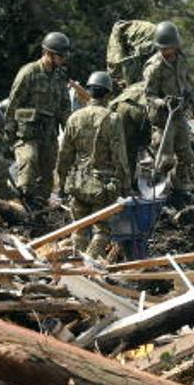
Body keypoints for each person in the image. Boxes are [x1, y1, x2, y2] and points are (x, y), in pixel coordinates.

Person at [56, 71, 130, 258]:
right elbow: (119, 157)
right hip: (102, 186)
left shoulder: (75, 117)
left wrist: (62, 183)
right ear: (107, 94)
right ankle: (88, 264)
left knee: (79, 229)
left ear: (89, 91)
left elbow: (64, 154)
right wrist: (126, 185)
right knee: (101, 231)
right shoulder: (112, 119)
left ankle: (77, 263)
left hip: (78, 182)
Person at [6, 32, 72, 207]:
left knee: (47, 175)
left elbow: (65, 107)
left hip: (49, 134)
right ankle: (21, 206)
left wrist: (71, 131)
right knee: (28, 163)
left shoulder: (60, 76)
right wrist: (10, 135)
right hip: (27, 133)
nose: (64, 59)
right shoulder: (29, 73)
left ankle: (39, 212)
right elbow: (14, 105)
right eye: (60, 55)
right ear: (48, 53)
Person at [142, 21, 194, 190]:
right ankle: (157, 188)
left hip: (179, 114)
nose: (167, 51)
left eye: (170, 47)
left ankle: (178, 185)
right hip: (163, 118)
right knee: (165, 159)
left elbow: (185, 81)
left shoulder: (181, 60)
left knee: (187, 156)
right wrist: (163, 103)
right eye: (163, 48)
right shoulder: (154, 67)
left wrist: (188, 96)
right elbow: (148, 95)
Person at [109, 80, 150, 191]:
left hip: (123, 112)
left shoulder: (137, 85)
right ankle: (125, 184)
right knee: (127, 152)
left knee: (126, 152)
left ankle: (127, 183)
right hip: (129, 118)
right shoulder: (148, 88)